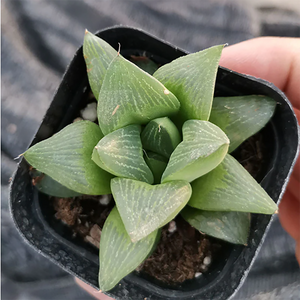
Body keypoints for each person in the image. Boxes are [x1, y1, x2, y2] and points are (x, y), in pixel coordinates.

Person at [76, 37, 300, 299]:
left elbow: (237, 121)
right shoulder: (108, 149)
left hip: (188, 174)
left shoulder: (204, 143)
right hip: (135, 196)